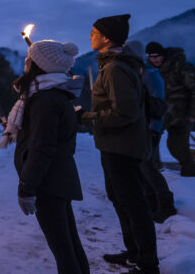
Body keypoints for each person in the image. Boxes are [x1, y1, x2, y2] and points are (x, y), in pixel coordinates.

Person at [0, 40, 88, 274]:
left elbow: (42, 148)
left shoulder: (45, 100)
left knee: (63, 250)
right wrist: (23, 127)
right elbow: (42, 136)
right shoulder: (52, 95)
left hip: (49, 183)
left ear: (40, 65)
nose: (26, 61)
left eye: (30, 57)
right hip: (57, 180)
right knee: (68, 244)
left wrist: (27, 188)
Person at [79, 14, 158, 274]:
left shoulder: (115, 68)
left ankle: (147, 263)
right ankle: (134, 252)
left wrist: (85, 117)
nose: (90, 36)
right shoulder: (114, 64)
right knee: (121, 200)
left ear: (107, 37)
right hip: (114, 145)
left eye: (94, 32)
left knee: (133, 203)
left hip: (122, 147)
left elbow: (125, 113)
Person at [126, 40, 176, 222]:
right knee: (144, 167)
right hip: (143, 128)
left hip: (150, 128)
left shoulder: (150, 74)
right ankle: (153, 204)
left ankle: (166, 206)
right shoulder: (141, 72)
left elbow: (158, 105)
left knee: (148, 167)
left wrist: (154, 129)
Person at [146, 41, 195, 177]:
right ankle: (154, 171)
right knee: (150, 140)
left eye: (157, 56)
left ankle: (189, 175)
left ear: (163, 55)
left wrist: (192, 112)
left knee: (177, 146)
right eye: (151, 56)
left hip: (181, 114)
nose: (154, 59)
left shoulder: (180, 67)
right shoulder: (149, 70)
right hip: (159, 113)